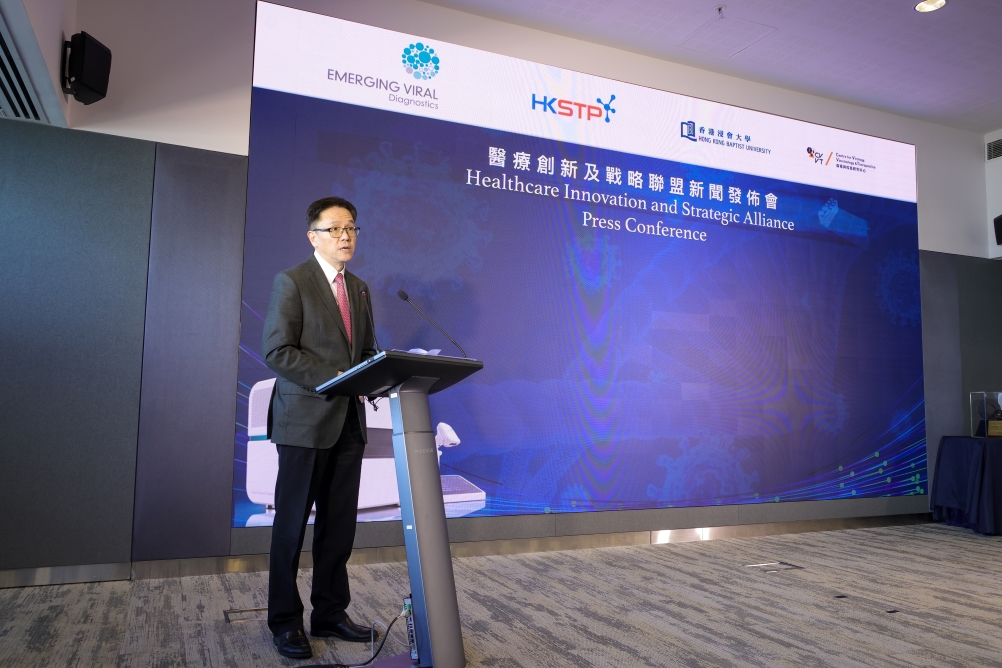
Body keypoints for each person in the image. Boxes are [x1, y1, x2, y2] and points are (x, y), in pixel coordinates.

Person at [262, 196, 378, 660]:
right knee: (291, 528)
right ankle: (285, 622)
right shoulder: (293, 281)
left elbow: (364, 353)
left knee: (338, 529)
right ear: (313, 236)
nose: (345, 236)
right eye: (335, 229)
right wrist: (337, 378)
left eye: (351, 228)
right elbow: (278, 351)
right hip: (304, 423)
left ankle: (330, 613)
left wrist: (382, 372)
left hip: (348, 423)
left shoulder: (360, 289)